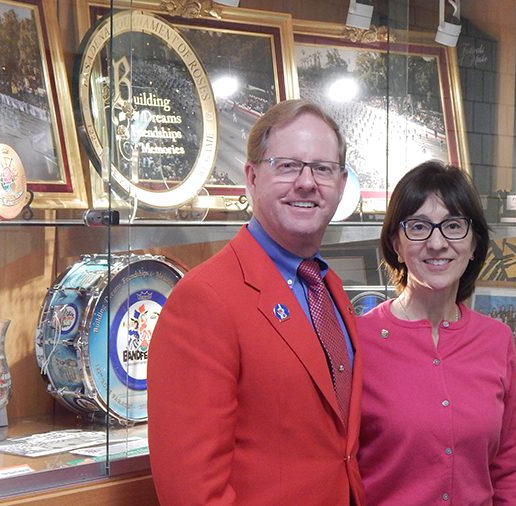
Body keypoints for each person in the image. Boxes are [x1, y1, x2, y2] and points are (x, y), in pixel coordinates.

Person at [148, 99, 364, 505]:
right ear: (251, 177)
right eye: (287, 165)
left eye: (322, 168)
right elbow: (192, 492)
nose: (306, 182)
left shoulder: (329, 287)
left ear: (341, 181)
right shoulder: (204, 300)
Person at [357, 160, 516, 505]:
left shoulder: (496, 341)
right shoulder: (358, 341)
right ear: (396, 243)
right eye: (418, 227)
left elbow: (507, 470)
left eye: (453, 225)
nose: (437, 243)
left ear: (474, 243)